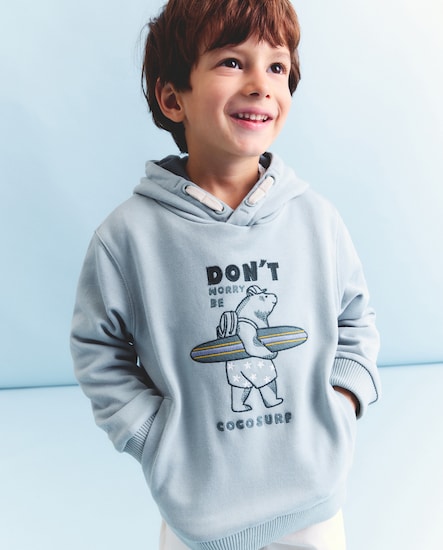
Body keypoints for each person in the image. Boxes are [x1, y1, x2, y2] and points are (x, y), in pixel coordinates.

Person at [70, 1, 381, 549]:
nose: (261, 85)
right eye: (233, 62)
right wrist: (150, 436)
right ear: (173, 98)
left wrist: (343, 398)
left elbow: (355, 318)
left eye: (277, 66)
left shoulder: (317, 220)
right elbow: (98, 350)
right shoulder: (127, 238)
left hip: (313, 500)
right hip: (197, 511)